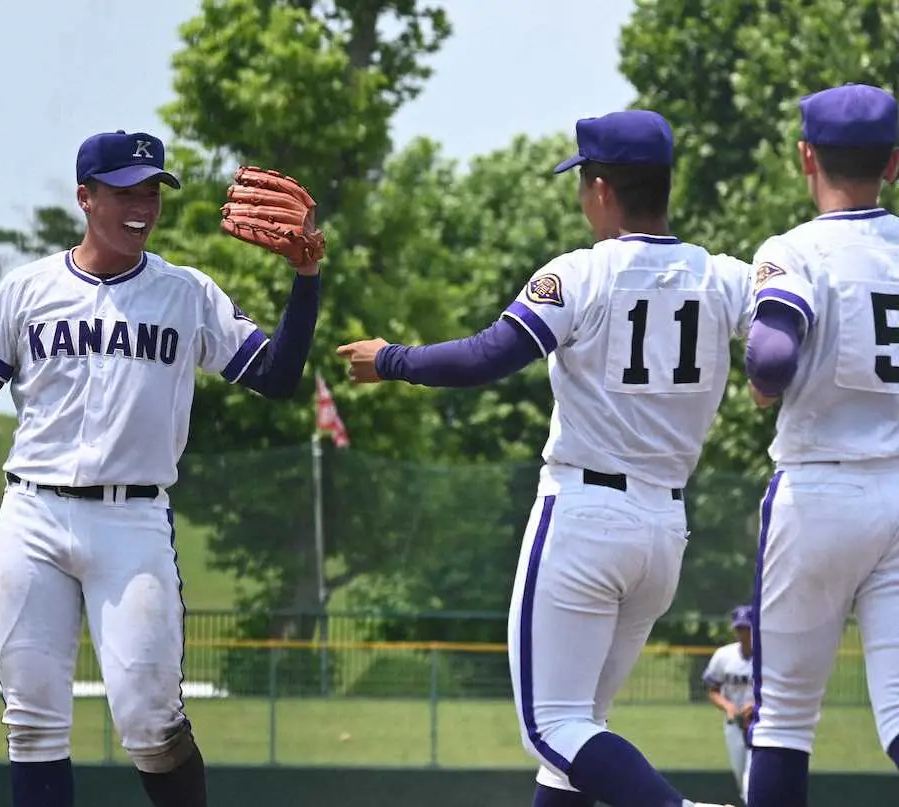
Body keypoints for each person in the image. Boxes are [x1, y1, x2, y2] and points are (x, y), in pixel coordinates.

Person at [0, 130, 324, 807]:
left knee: (152, 722)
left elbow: (276, 375)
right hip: (32, 515)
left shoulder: (186, 293)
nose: (142, 206)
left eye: (152, 191)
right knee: (32, 722)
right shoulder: (26, 289)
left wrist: (306, 280)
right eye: (125, 191)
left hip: (133, 520)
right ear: (85, 197)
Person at [335, 109, 747, 807]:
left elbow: (489, 354)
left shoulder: (582, 273)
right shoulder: (725, 276)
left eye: (583, 182)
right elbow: (784, 337)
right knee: (577, 741)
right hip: (665, 530)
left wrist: (392, 359)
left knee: (551, 728)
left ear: (602, 188)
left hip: (585, 518)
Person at [742, 83, 899, 807]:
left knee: (784, 718)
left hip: (821, 492)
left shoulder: (795, 249)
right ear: (893, 164)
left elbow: (772, 355)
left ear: (806, 155)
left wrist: (761, 384)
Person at [702, 605, 755, 804]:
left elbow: (780, 689)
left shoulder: (769, 656)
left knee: (752, 782)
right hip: (734, 724)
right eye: (740, 628)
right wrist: (728, 707)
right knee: (741, 779)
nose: (743, 633)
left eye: (747, 628)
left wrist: (756, 704)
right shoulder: (724, 655)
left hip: (760, 723)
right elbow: (712, 689)